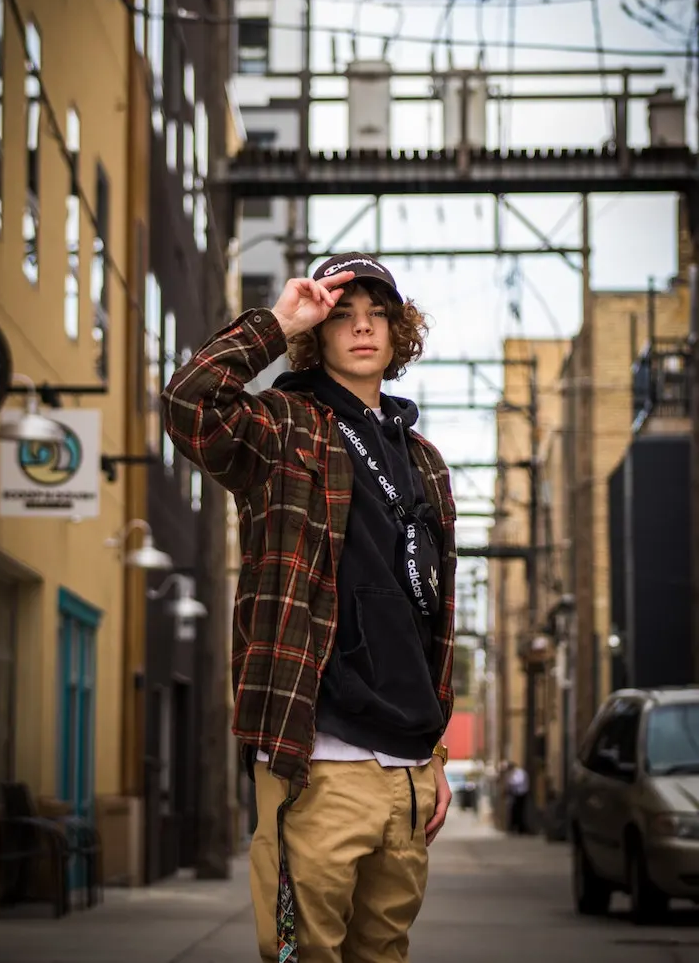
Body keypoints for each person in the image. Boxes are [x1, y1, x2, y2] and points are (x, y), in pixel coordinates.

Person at [162, 253, 457, 963]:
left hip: (409, 771)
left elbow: (430, 619)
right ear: (318, 333)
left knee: (383, 953)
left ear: (397, 333)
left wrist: (437, 752)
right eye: (342, 314)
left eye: (377, 314)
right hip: (317, 757)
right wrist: (278, 320)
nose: (361, 327)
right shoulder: (283, 427)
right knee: (300, 952)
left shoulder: (426, 462)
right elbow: (188, 403)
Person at [506, 761, 530, 834]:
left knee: (520, 811)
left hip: (521, 794)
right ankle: (515, 827)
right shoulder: (514, 773)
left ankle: (521, 828)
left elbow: (518, 781)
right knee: (515, 811)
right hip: (516, 794)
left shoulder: (519, 773)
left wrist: (510, 781)